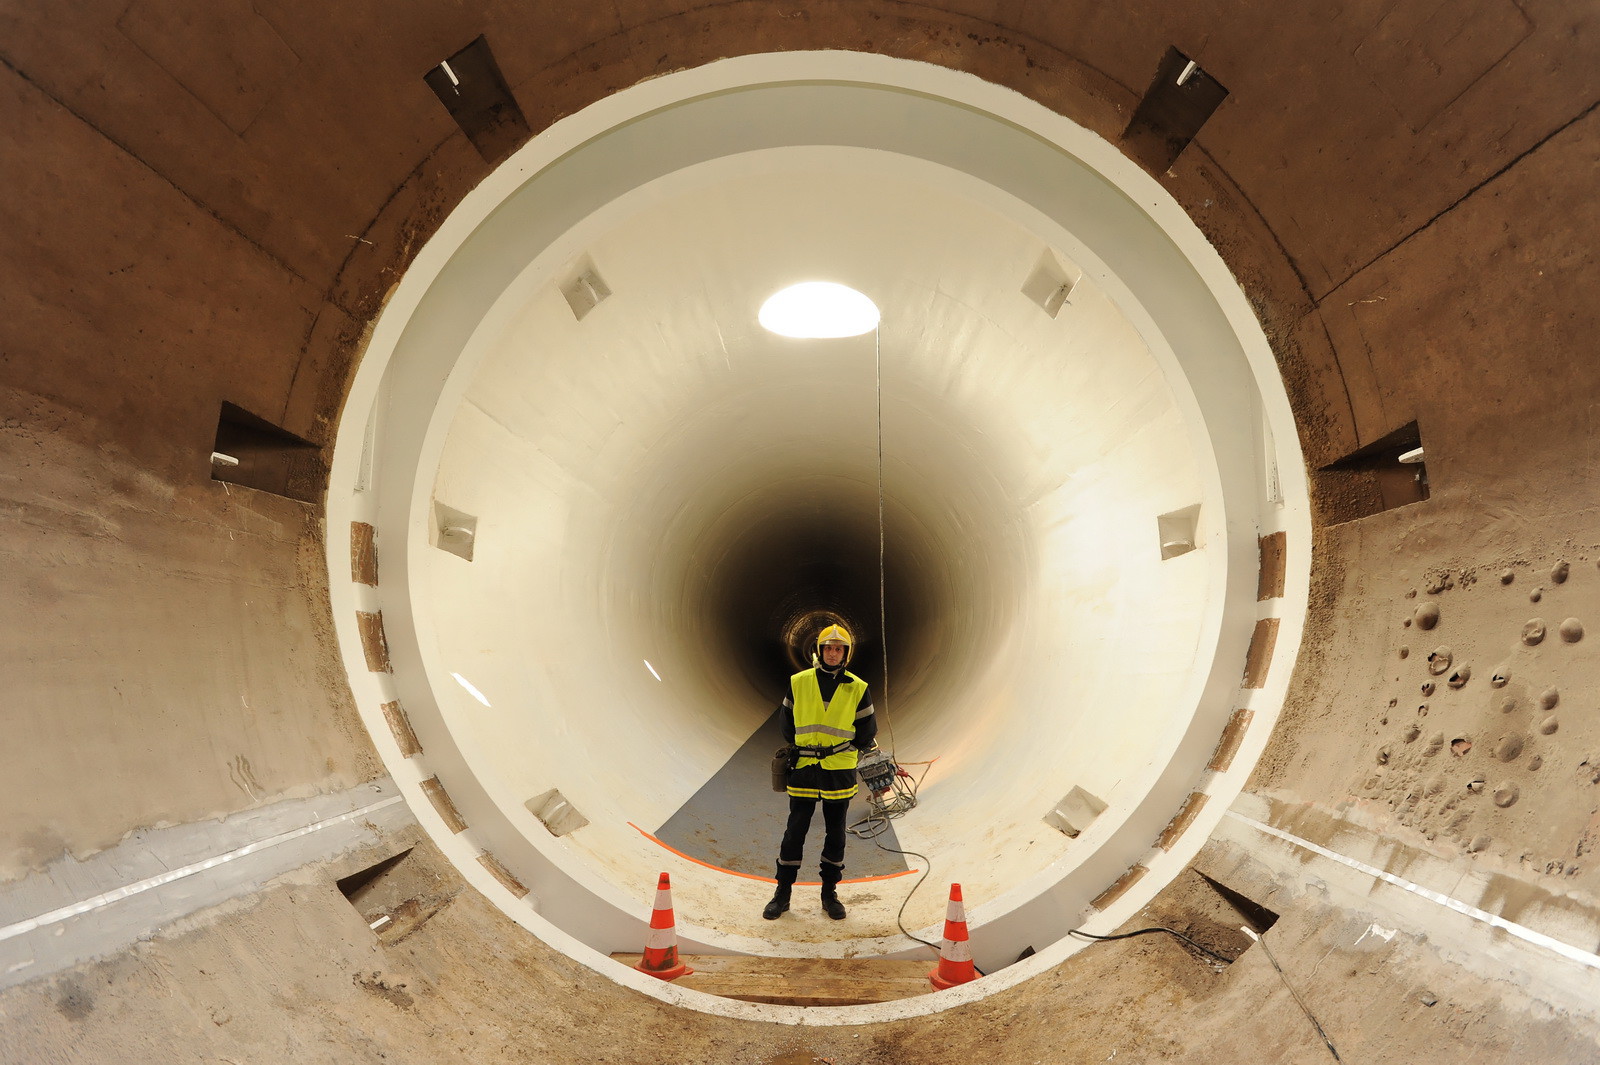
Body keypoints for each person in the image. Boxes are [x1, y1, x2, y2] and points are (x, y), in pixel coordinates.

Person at [762, 622, 877, 921]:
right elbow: (787, 723)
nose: (833, 653)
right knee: (794, 831)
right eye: (828, 648)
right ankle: (782, 895)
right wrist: (805, 746)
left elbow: (867, 732)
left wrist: (839, 749)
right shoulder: (799, 681)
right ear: (820, 650)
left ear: (845, 654)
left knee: (835, 833)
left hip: (839, 770)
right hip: (804, 767)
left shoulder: (858, 688)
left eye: (838, 649)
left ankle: (829, 894)